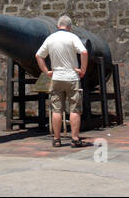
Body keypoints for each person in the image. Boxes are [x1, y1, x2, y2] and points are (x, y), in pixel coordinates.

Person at [35, 15, 89, 148]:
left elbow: (38, 55)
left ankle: (57, 139)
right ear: (69, 27)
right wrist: (82, 70)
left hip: (57, 77)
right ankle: (75, 139)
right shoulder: (72, 37)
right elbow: (84, 52)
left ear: (58, 26)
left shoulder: (51, 38)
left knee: (57, 110)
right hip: (71, 77)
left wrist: (47, 72)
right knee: (74, 109)